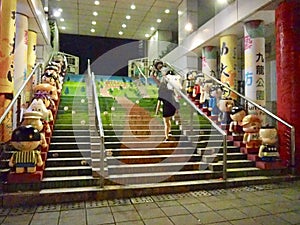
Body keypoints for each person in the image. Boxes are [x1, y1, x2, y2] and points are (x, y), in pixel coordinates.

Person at [155, 69, 180, 141]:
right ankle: (170, 131)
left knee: (166, 123)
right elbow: (175, 98)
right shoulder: (171, 91)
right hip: (172, 107)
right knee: (168, 120)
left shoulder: (161, 92)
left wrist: (157, 111)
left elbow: (159, 102)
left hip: (166, 108)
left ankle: (167, 137)